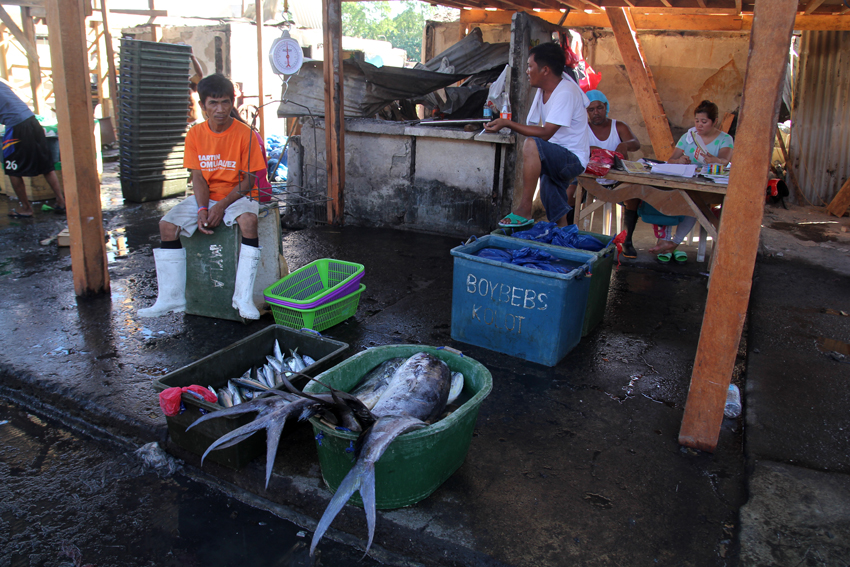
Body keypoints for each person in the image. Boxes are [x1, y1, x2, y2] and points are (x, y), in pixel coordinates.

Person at [138, 73, 267, 319]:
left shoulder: (245, 134)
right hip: (207, 195)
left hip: (238, 194)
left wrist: (220, 206)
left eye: (226, 102)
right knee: (167, 225)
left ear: (233, 102)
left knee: (249, 221)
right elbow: (198, 177)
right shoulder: (195, 134)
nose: (220, 109)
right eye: (213, 103)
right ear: (202, 105)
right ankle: (170, 298)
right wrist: (202, 208)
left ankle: (242, 297)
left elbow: (249, 180)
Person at [485, 42, 590, 228]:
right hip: (558, 154)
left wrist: (507, 123)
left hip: (572, 159)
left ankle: (525, 208)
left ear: (545, 70)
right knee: (549, 190)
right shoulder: (543, 91)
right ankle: (563, 232)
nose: (527, 71)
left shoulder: (566, 91)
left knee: (531, 144)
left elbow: (547, 132)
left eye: (530, 66)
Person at [646, 100, 733, 262]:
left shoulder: (725, 139)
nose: (699, 125)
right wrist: (680, 162)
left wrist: (713, 160)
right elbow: (671, 160)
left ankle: (674, 243)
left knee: (695, 203)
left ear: (714, 122)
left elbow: (725, 161)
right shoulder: (688, 137)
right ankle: (665, 240)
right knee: (668, 197)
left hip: (707, 186)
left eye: (704, 122)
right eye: (697, 121)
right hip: (684, 181)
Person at [570, 89, 641, 258]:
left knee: (634, 193)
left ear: (606, 107)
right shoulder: (582, 129)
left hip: (616, 178)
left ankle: (628, 240)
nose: (596, 113)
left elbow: (636, 143)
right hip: (590, 178)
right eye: (591, 109)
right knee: (569, 192)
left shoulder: (619, 126)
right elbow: (572, 148)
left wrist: (626, 145)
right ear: (586, 111)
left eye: (600, 108)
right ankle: (570, 234)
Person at [0, 78, 66, 218]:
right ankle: (61, 201)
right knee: (46, 166)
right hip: (32, 122)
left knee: (12, 169)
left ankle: (26, 208)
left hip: (17, 127)